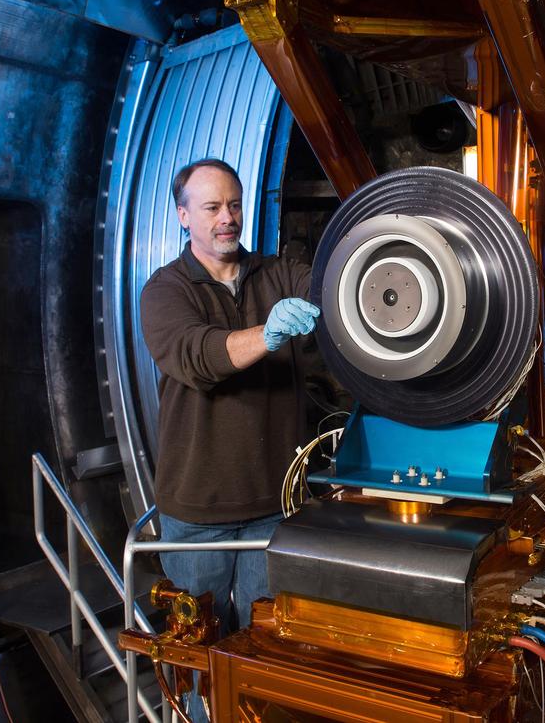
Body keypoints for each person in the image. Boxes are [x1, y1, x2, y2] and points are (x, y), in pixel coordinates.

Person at [139, 158, 319, 722]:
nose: (227, 219)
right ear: (183, 215)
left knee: (265, 653)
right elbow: (196, 356)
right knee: (203, 658)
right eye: (212, 207)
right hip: (199, 512)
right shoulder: (165, 291)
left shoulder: (279, 274)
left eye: (235, 205)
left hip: (274, 505)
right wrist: (266, 334)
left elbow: (335, 290)